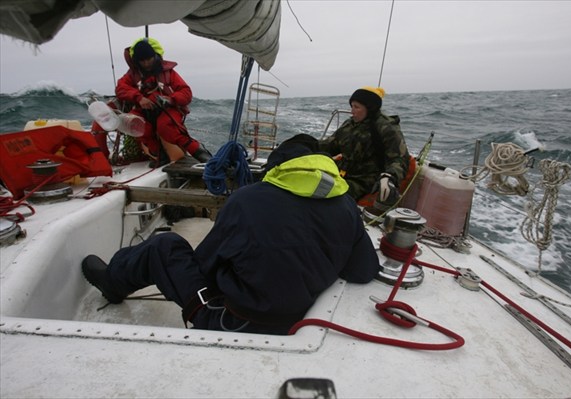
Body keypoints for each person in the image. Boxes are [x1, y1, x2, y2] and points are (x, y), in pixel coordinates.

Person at [81, 134, 380, 335]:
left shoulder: (247, 199)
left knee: (165, 245)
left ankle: (112, 283)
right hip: (300, 324)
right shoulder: (346, 205)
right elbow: (364, 270)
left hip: (232, 323)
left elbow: (205, 267)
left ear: (277, 168)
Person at [115, 37, 212, 166]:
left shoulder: (169, 73)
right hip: (143, 111)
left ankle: (201, 153)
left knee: (166, 127)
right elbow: (121, 89)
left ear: (155, 56)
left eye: (149, 59)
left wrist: (171, 99)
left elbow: (186, 93)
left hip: (167, 109)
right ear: (137, 61)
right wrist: (138, 98)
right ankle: (160, 155)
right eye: (142, 61)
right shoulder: (132, 75)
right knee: (134, 124)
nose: (146, 63)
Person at [319, 86, 415, 207]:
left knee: (329, 200)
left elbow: (399, 159)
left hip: (365, 180)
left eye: (356, 107)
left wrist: (389, 177)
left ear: (370, 108)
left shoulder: (386, 128)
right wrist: (304, 144)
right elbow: (330, 144)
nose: (352, 111)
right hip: (341, 173)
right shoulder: (350, 124)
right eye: (352, 106)